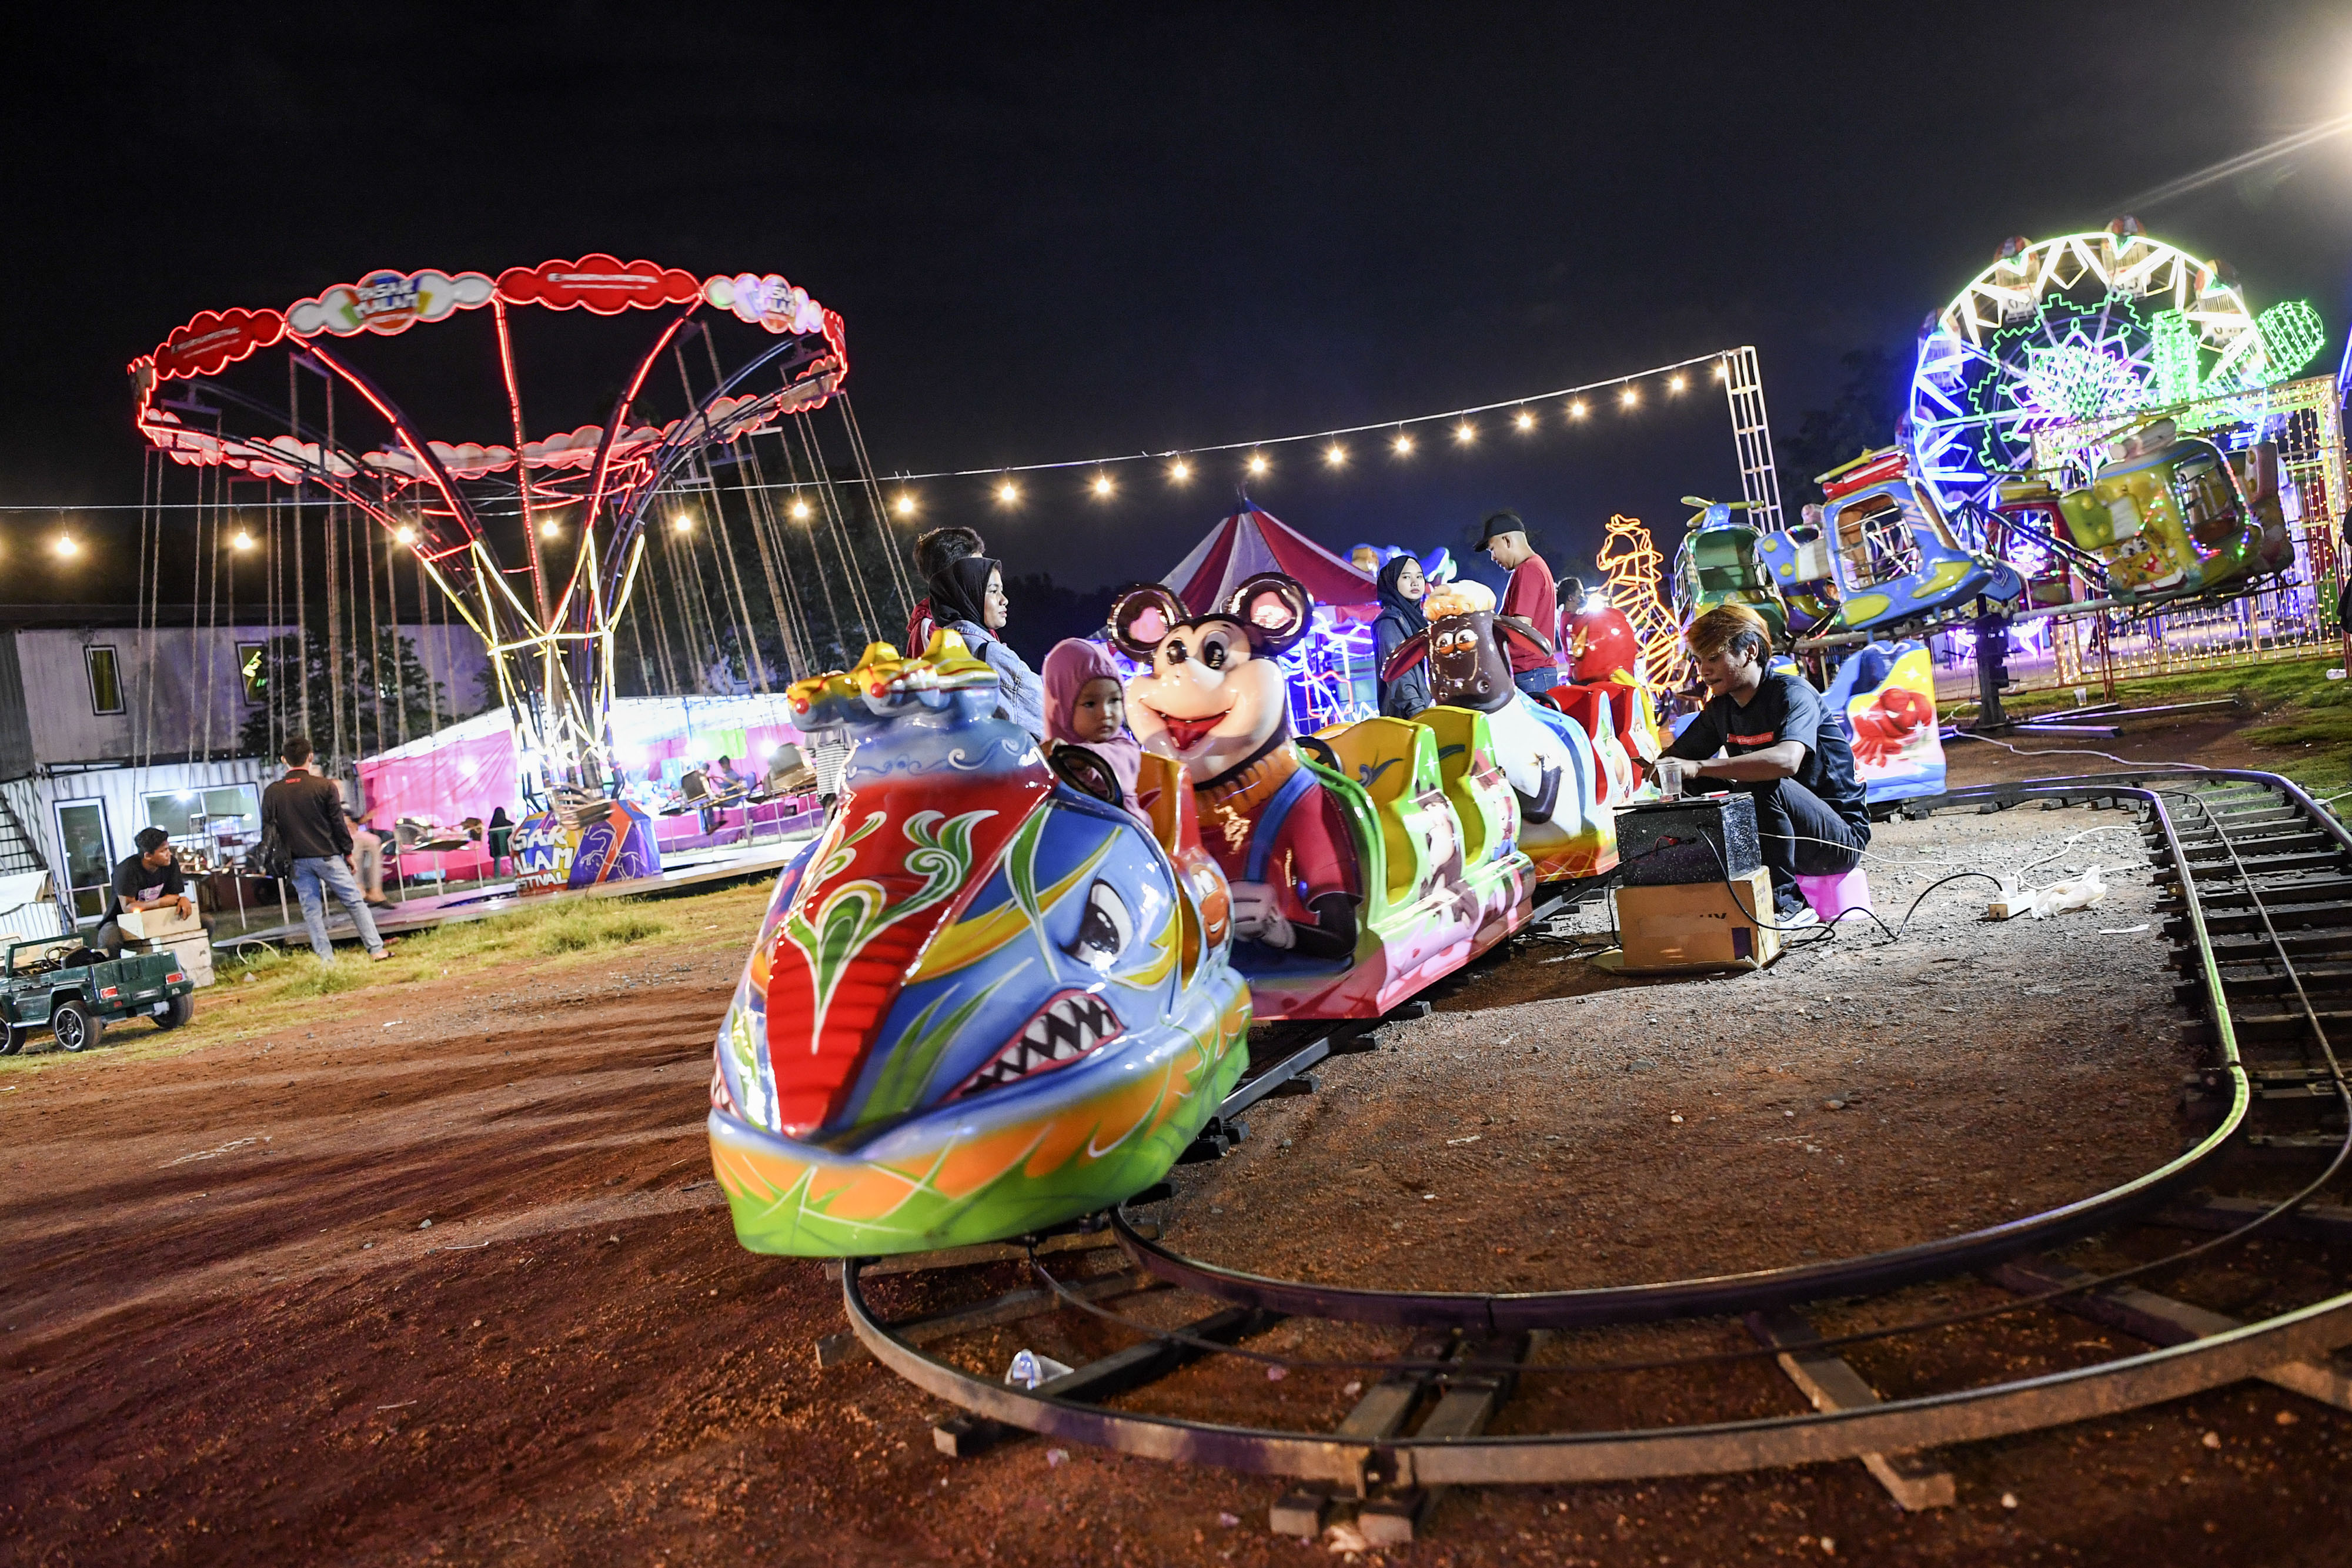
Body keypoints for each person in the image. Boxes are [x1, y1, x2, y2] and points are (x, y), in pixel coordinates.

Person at [1650, 602, 1869, 927]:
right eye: (1699, 660)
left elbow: (1786, 761)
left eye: (1713, 658)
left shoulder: (1792, 694)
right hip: (1782, 831)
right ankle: (1717, 885)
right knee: (1695, 782)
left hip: (1834, 842)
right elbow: (1675, 764)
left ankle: (1790, 905)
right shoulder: (1720, 709)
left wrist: (1699, 766)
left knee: (1760, 779)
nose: (1703, 671)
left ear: (1749, 651)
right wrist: (1659, 770)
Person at [262, 735, 392, 962]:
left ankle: (326, 960)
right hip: (328, 857)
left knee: (311, 912)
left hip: (296, 861)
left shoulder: (273, 792)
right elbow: (338, 824)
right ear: (310, 757)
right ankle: (375, 950)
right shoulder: (324, 787)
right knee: (354, 901)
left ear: (284, 760)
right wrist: (348, 852)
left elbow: (268, 828)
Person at [929, 553, 1046, 741]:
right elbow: (1045, 714)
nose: (1004, 600)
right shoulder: (989, 653)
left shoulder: (938, 651)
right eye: (993, 591)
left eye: (1002, 590)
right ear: (968, 596)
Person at [1043, 638, 1147, 819]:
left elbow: (1117, 763)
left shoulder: (1123, 747)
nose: (1105, 713)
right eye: (1090, 704)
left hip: (1124, 830)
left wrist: (1079, 757)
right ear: (1061, 709)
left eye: (1114, 700)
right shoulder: (1051, 750)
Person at [1477, 510, 1559, 696]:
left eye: (1492, 549)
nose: (1493, 557)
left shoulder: (1529, 570)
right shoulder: (1535, 566)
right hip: (1534, 673)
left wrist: (1487, 621)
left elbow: (1522, 627)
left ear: (1507, 541)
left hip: (1531, 674)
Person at [95, 826, 194, 957]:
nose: (169, 854)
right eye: (163, 851)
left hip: (159, 916)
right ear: (148, 855)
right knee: (109, 941)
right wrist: (159, 903)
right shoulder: (126, 870)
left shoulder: (171, 864)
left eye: (168, 849)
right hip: (120, 921)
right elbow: (128, 907)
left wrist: (182, 900)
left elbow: (173, 896)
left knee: (206, 922)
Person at [904, 526, 985, 654]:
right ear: (951, 577)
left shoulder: (979, 618)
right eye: (978, 570)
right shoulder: (931, 628)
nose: (986, 576)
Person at [1372, 554, 1434, 720]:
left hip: (1430, 710)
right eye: (1406, 577)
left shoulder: (1423, 619)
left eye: (1419, 576)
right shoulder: (1389, 622)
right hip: (1410, 718)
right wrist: (1420, 713)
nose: (1415, 582)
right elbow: (1399, 674)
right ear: (1393, 583)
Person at [346, 810, 389, 905]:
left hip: (350, 829)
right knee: (355, 846)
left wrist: (353, 822)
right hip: (339, 832)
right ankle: (359, 888)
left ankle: (375, 889)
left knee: (374, 842)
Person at [486, 806, 513, 878]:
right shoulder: (509, 824)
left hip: (497, 850)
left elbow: (490, 840)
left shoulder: (492, 826)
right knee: (513, 857)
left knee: (497, 860)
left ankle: (497, 876)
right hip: (508, 848)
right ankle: (515, 872)